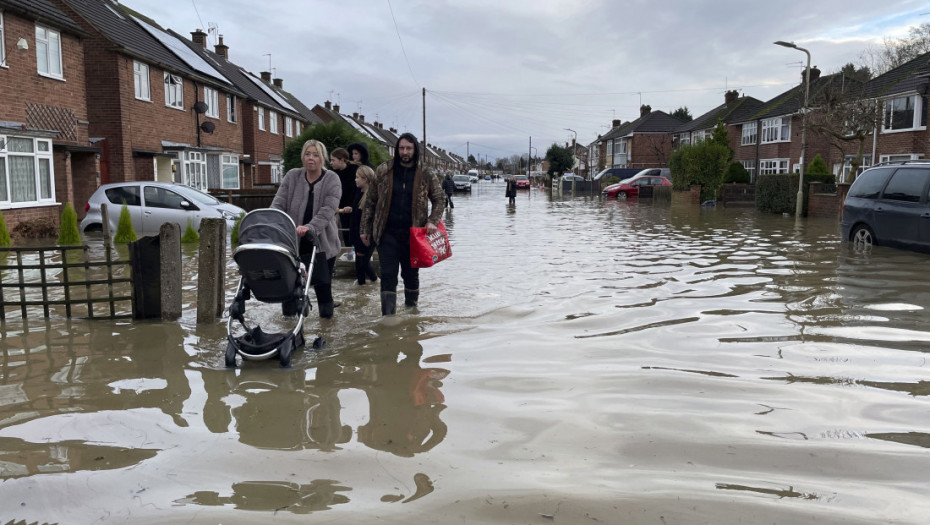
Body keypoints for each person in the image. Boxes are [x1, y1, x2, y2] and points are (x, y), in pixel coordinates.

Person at [360, 133, 444, 315]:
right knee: (388, 275)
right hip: (387, 233)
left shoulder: (426, 173)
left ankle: (411, 314)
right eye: (401, 148)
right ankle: (388, 320)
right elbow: (370, 201)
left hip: (414, 235)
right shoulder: (383, 170)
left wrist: (432, 221)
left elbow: (439, 199)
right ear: (397, 150)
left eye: (409, 148)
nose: (404, 152)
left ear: (415, 150)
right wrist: (365, 229)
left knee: (410, 275)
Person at [272, 139, 341, 319]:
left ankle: (326, 326)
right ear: (303, 157)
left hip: (321, 243)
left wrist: (310, 228)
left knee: (322, 287)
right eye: (307, 154)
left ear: (323, 158)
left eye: (316, 155)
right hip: (293, 241)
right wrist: (277, 223)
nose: (311, 158)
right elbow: (278, 203)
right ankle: (289, 325)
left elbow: (328, 209)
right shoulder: (292, 176)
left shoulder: (332, 179)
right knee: (289, 287)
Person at [347, 165, 379, 285]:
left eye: (357, 177)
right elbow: (357, 212)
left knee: (363, 263)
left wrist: (367, 235)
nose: (355, 179)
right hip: (357, 234)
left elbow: (370, 218)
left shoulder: (371, 196)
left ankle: (374, 282)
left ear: (365, 179)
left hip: (365, 236)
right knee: (360, 263)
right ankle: (362, 288)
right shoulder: (360, 193)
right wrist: (350, 208)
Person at [330, 147, 357, 260]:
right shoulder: (332, 173)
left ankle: (359, 252)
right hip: (341, 206)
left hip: (354, 206)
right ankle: (349, 253)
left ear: (342, 160)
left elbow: (358, 190)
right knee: (345, 229)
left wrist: (352, 205)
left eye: (333, 160)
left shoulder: (355, 170)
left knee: (355, 229)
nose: (331, 163)